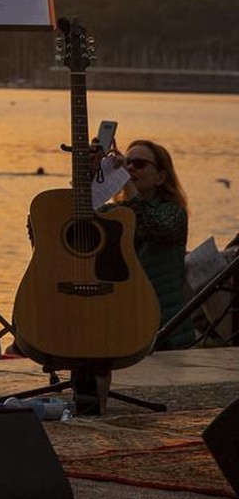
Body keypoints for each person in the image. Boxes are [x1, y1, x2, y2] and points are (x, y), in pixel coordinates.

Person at [102, 139, 194, 349]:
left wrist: (124, 180)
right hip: (128, 320)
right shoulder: (117, 211)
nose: (131, 167)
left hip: (166, 328)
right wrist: (92, 175)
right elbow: (83, 221)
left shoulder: (173, 212)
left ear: (161, 177)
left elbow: (153, 224)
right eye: (127, 163)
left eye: (139, 164)